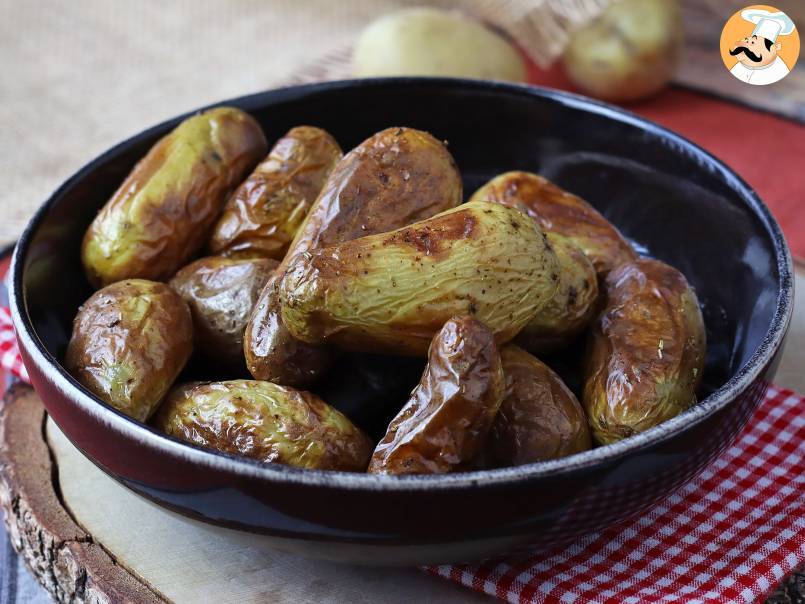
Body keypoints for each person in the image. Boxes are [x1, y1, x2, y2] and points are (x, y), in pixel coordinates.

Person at [728, 9, 796, 85]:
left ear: (775, 47)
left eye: (753, 43)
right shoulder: (739, 66)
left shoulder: (779, 72)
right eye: (746, 40)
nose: (746, 45)